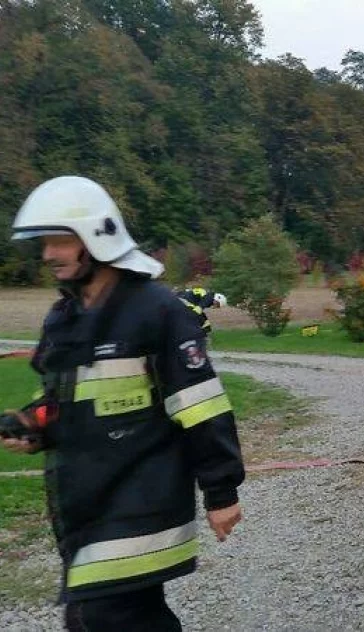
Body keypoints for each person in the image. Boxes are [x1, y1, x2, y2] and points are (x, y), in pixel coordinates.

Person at [0, 176, 245, 631]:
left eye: (59, 241)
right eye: (44, 242)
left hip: (143, 500)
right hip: (87, 502)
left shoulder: (158, 312)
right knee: (95, 617)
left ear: (98, 237)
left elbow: (202, 405)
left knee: (104, 615)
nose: (48, 254)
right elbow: (59, 401)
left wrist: (221, 490)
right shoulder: (64, 318)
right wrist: (31, 425)